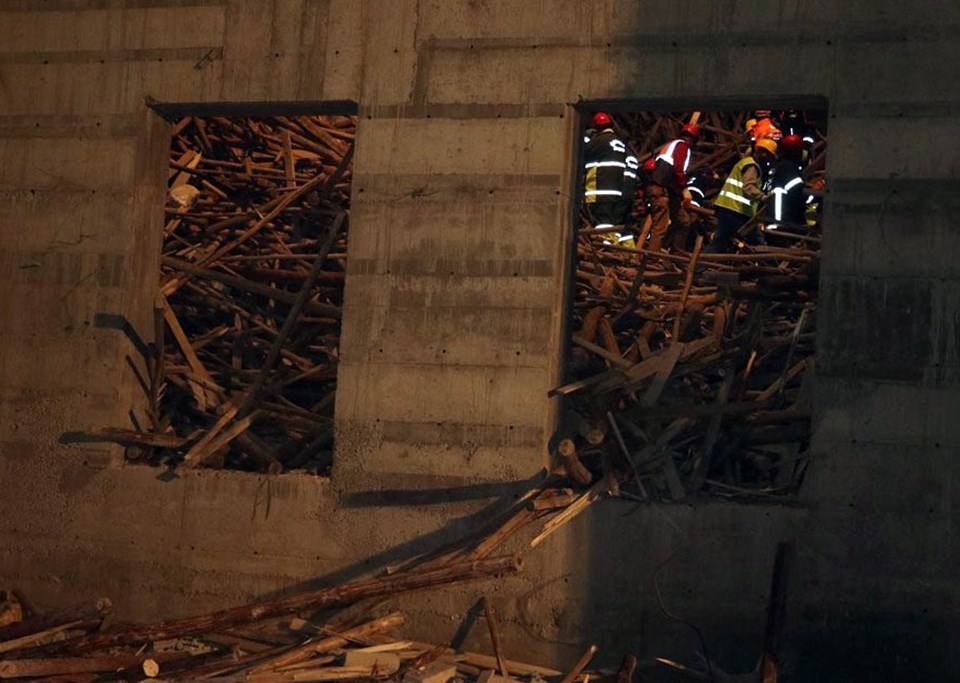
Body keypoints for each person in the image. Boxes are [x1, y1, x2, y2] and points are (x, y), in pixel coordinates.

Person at [707, 138, 778, 253]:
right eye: (766, 154)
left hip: (732, 208)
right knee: (754, 239)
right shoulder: (752, 166)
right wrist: (764, 198)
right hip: (735, 210)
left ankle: (704, 263)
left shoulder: (746, 162)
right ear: (759, 152)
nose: (767, 158)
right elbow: (748, 187)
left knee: (722, 239)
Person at [645, 123, 700, 251]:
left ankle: (675, 254)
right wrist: (685, 189)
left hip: (666, 191)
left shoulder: (670, 146)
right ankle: (654, 258)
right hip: (661, 191)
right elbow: (678, 170)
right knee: (660, 226)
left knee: (684, 221)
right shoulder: (682, 147)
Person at [583, 112, 631, 232]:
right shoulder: (618, 142)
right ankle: (611, 244)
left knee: (602, 224)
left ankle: (605, 246)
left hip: (601, 189)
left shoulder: (600, 141)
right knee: (611, 222)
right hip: (616, 191)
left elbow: (581, 154)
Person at [764, 134, 806, 233]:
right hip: (783, 222)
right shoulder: (789, 169)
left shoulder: (777, 167)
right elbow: (796, 193)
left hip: (771, 218)